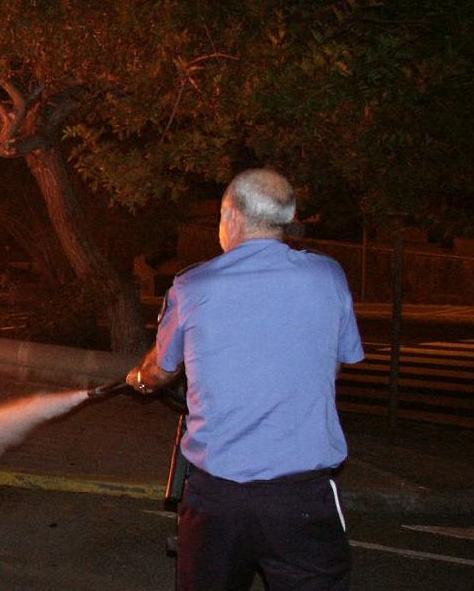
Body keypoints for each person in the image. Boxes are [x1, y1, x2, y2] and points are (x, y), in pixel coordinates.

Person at [127, 168, 364, 591]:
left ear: (231, 216)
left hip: (217, 500)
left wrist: (141, 377)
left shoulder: (192, 285)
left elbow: (161, 371)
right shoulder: (328, 276)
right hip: (301, 498)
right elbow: (336, 363)